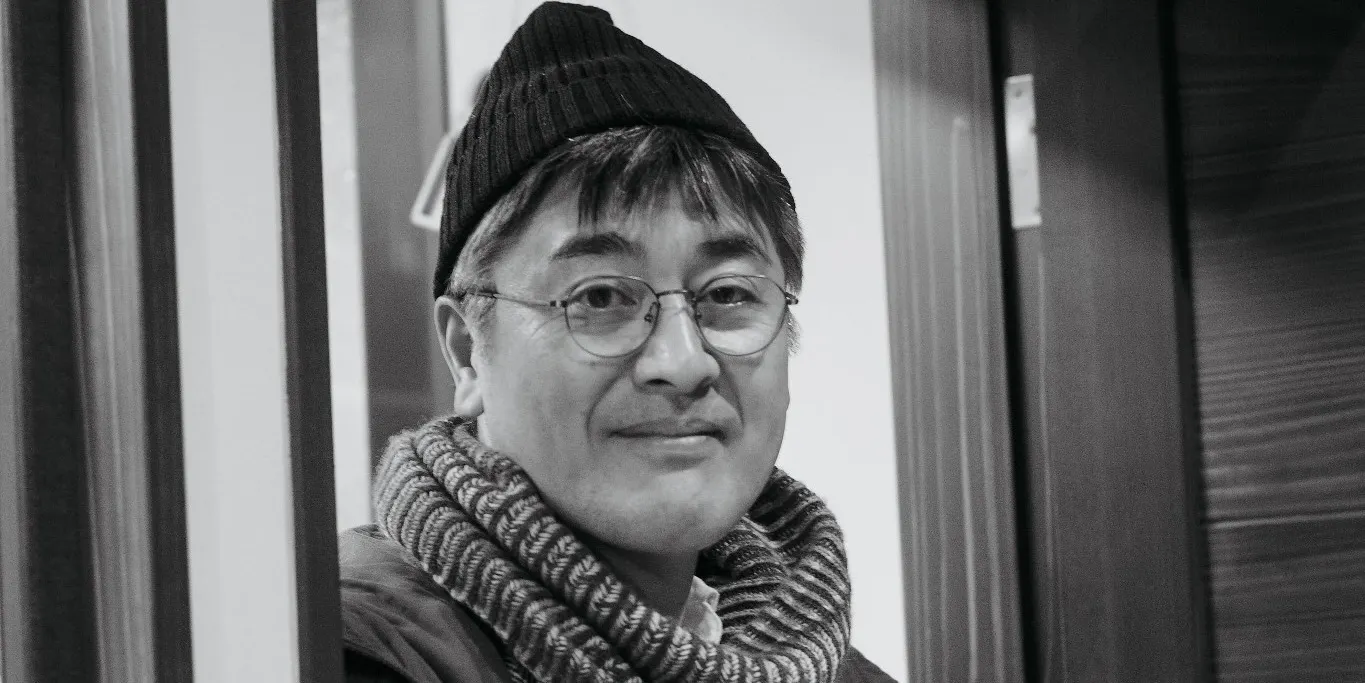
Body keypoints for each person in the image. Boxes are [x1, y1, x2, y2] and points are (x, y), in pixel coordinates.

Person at [338, 3, 899, 682]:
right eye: (600, 297)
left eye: (728, 294)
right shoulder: (341, 650)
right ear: (467, 352)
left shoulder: (827, 667)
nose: (682, 361)